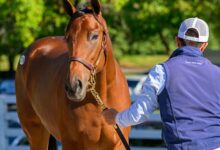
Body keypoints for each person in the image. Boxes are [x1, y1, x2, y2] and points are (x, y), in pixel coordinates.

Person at [102, 17, 220, 150]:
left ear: (177, 41)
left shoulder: (162, 71)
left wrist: (115, 118)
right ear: (204, 46)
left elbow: (139, 114)